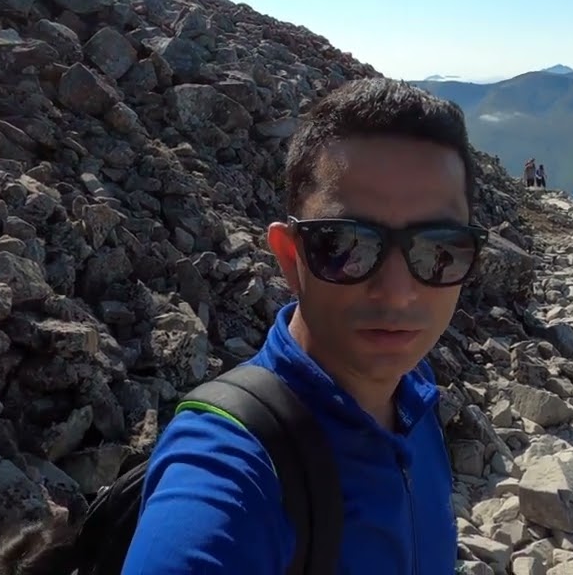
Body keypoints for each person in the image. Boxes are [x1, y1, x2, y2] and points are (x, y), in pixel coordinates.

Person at [119, 78, 485, 574]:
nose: (398, 292)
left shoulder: (414, 389)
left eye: (440, 248)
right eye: (345, 245)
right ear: (290, 258)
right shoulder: (233, 466)